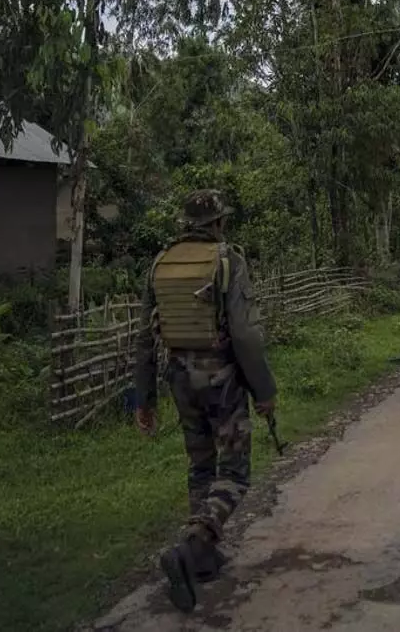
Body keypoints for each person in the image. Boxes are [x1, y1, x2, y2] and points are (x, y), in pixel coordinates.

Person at [133, 189, 277, 613]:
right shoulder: (228, 260)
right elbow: (246, 336)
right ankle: (193, 544)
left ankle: (203, 560)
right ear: (217, 223)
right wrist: (264, 392)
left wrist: (143, 399)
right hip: (221, 378)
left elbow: (144, 338)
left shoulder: (159, 264)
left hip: (179, 377)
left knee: (200, 465)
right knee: (234, 471)